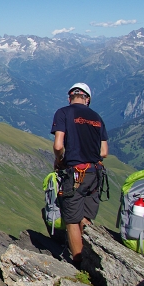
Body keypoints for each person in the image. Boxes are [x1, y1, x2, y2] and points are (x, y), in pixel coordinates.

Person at [51, 83, 108, 268]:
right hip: (95, 173)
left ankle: (78, 263)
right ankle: (89, 257)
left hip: (75, 172)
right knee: (85, 218)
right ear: (87, 99)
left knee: (72, 220)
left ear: (70, 97)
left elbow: (58, 145)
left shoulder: (63, 112)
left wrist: (59, 161)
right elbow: (104, 152)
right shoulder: (98, 118)